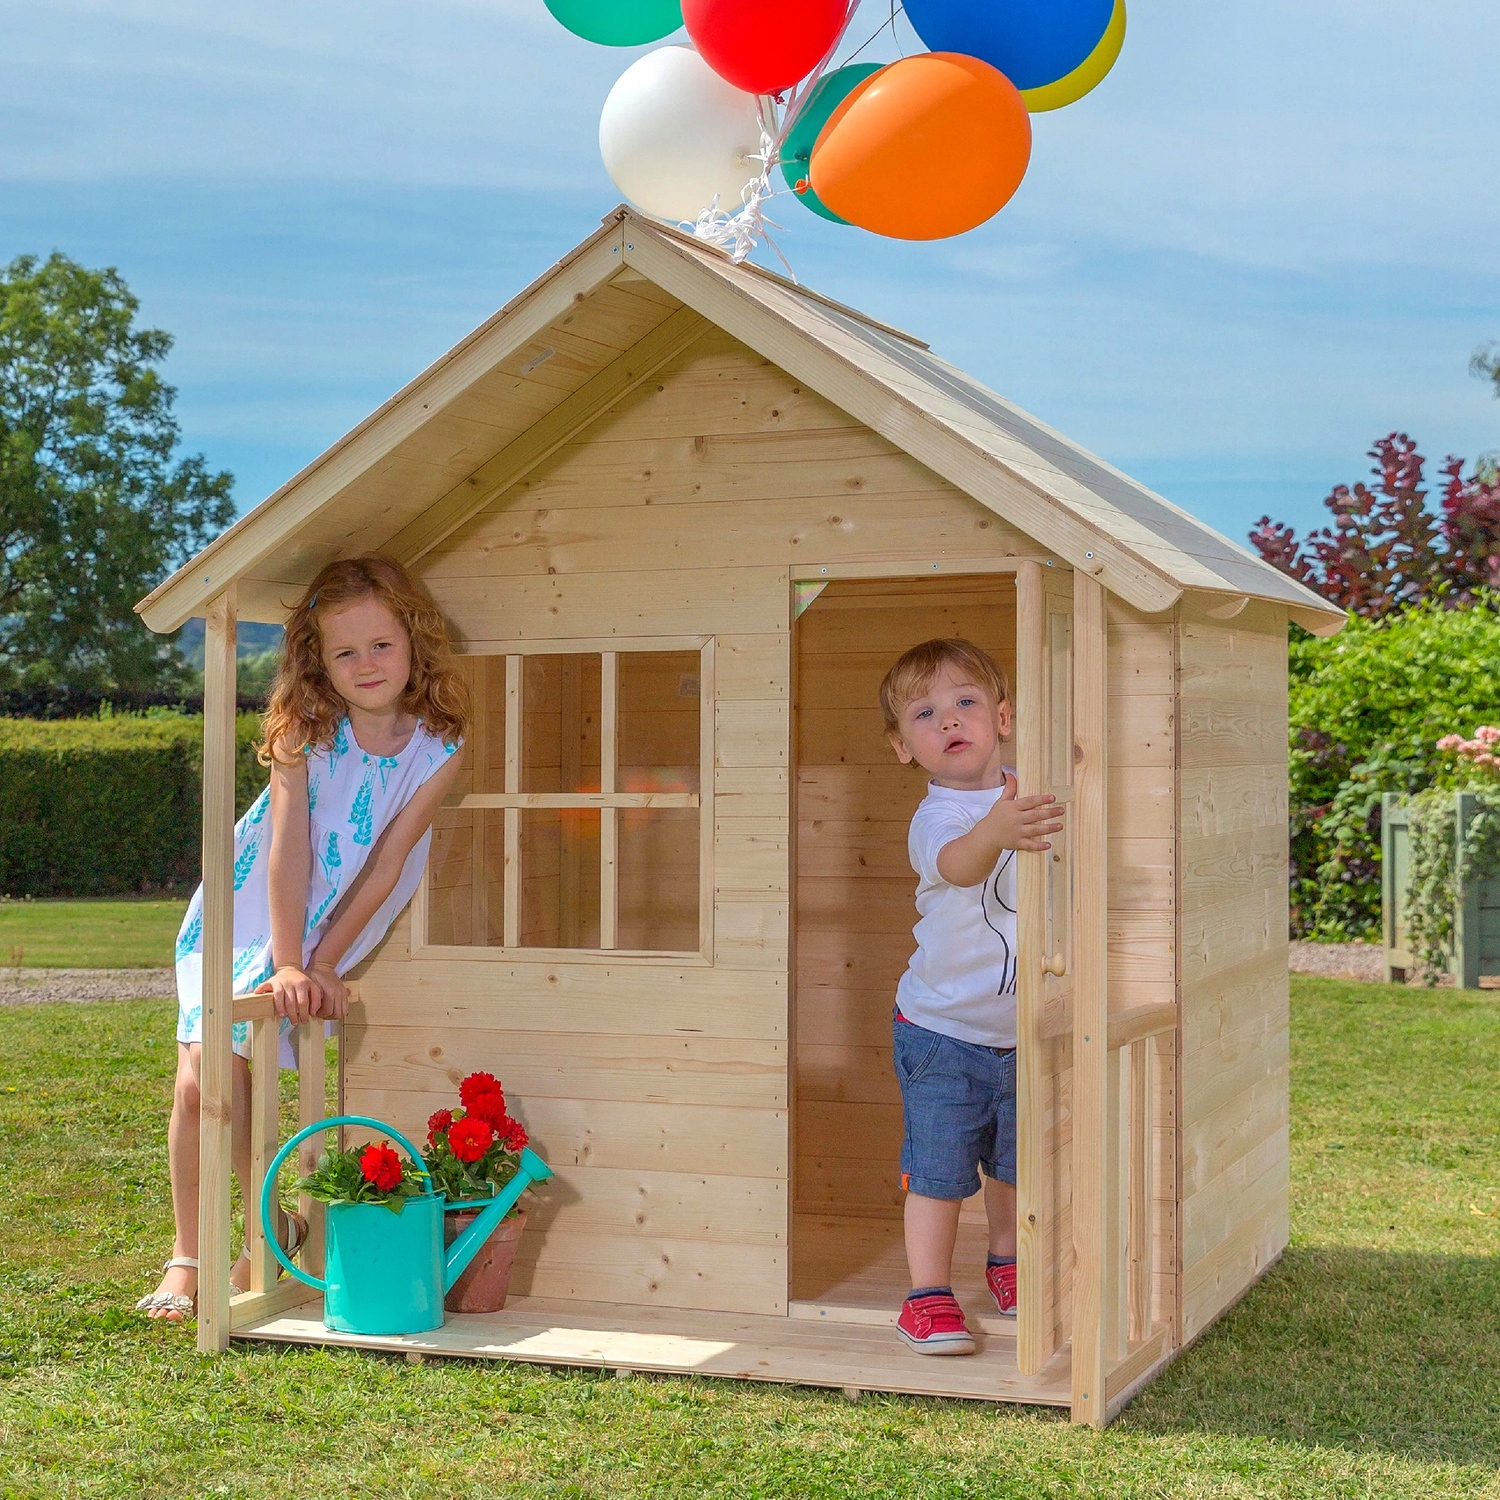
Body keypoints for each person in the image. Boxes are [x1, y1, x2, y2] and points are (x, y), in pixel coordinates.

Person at [136, 555, 470, 1321]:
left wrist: (321, 961)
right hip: (249, 909)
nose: (366, 664)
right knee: (200, 1078)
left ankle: (272, 1228)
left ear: (413, 640)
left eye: (380, 645)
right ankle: (189, 1254)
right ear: (319, 661)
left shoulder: (438, 745)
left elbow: (387, 863)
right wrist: (286, 959)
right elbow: (286, 852)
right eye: (345, 652)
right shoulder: (305, 730)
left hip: (333, 918)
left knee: (233, 1077)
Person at [878, 638, 1063, 1355]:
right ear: (903, 748)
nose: (949, 720)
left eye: (965, 702)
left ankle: (1006, 1263)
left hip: (1021, 1028)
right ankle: (925, 1298)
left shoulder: (1030, 790)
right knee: (939, 1171)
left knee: (1013, 1165)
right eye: (925, 713)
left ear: (1003, 718)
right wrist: (998, 829)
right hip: (941, 1032)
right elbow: (959, 866)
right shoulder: (939, 816)